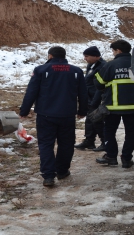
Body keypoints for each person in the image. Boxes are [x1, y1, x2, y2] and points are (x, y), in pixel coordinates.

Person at [19, 46, 88, 187]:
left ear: (50, 56)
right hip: (67, 115)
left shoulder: (41, 70)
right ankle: (62, 171)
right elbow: (83, 93)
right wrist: (82, 110)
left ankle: (48, 176)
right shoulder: (76, 71)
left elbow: (31, 92)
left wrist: (24, 111)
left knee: (45, 144)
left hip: (45, 115)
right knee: (66, 143)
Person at [94, 40, 134, 168]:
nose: (113, 53)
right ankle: (127, 159)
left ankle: (111, 157)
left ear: (118, 51)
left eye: (113, 51)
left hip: (113, 106)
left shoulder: (111, 65)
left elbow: (98, 83)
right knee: (131, 133)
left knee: (109, 131)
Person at [74, 46, 106, 151]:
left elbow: (101, 85)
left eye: (87, 56)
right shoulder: (91, 65)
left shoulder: (102, 66)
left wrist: (96, 100)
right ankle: (89, 141)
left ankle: (104, 142)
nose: (85, 58)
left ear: (96, 56)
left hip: (97, 98)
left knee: (97, 120)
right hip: (90, 97)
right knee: (89, 119)